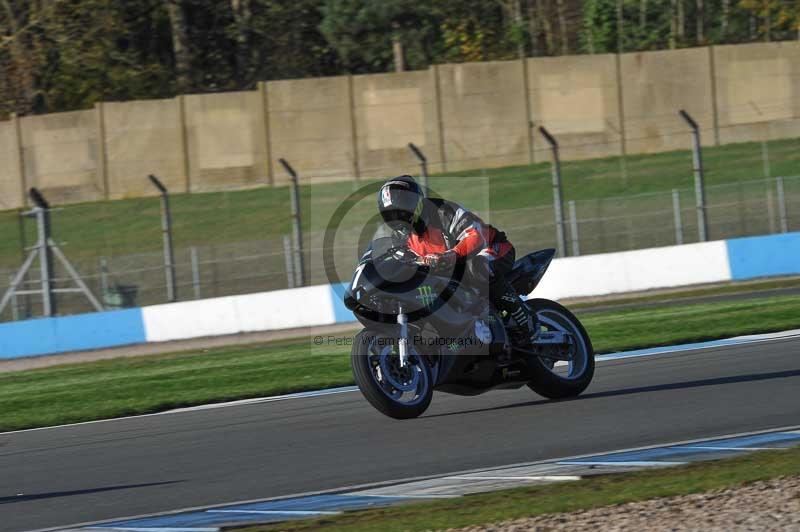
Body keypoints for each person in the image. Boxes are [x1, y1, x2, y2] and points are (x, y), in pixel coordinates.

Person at [376, 175, 539, 347]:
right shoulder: (400, 238)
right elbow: (408, 262)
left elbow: (476, 235)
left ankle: (525, 318)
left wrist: (451, 254)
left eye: (402, 209)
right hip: (452, 269)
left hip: (492, 248)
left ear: (416, 201)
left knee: (478, 267)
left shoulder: (442, 211)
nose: (399, 216)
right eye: (391, 214)